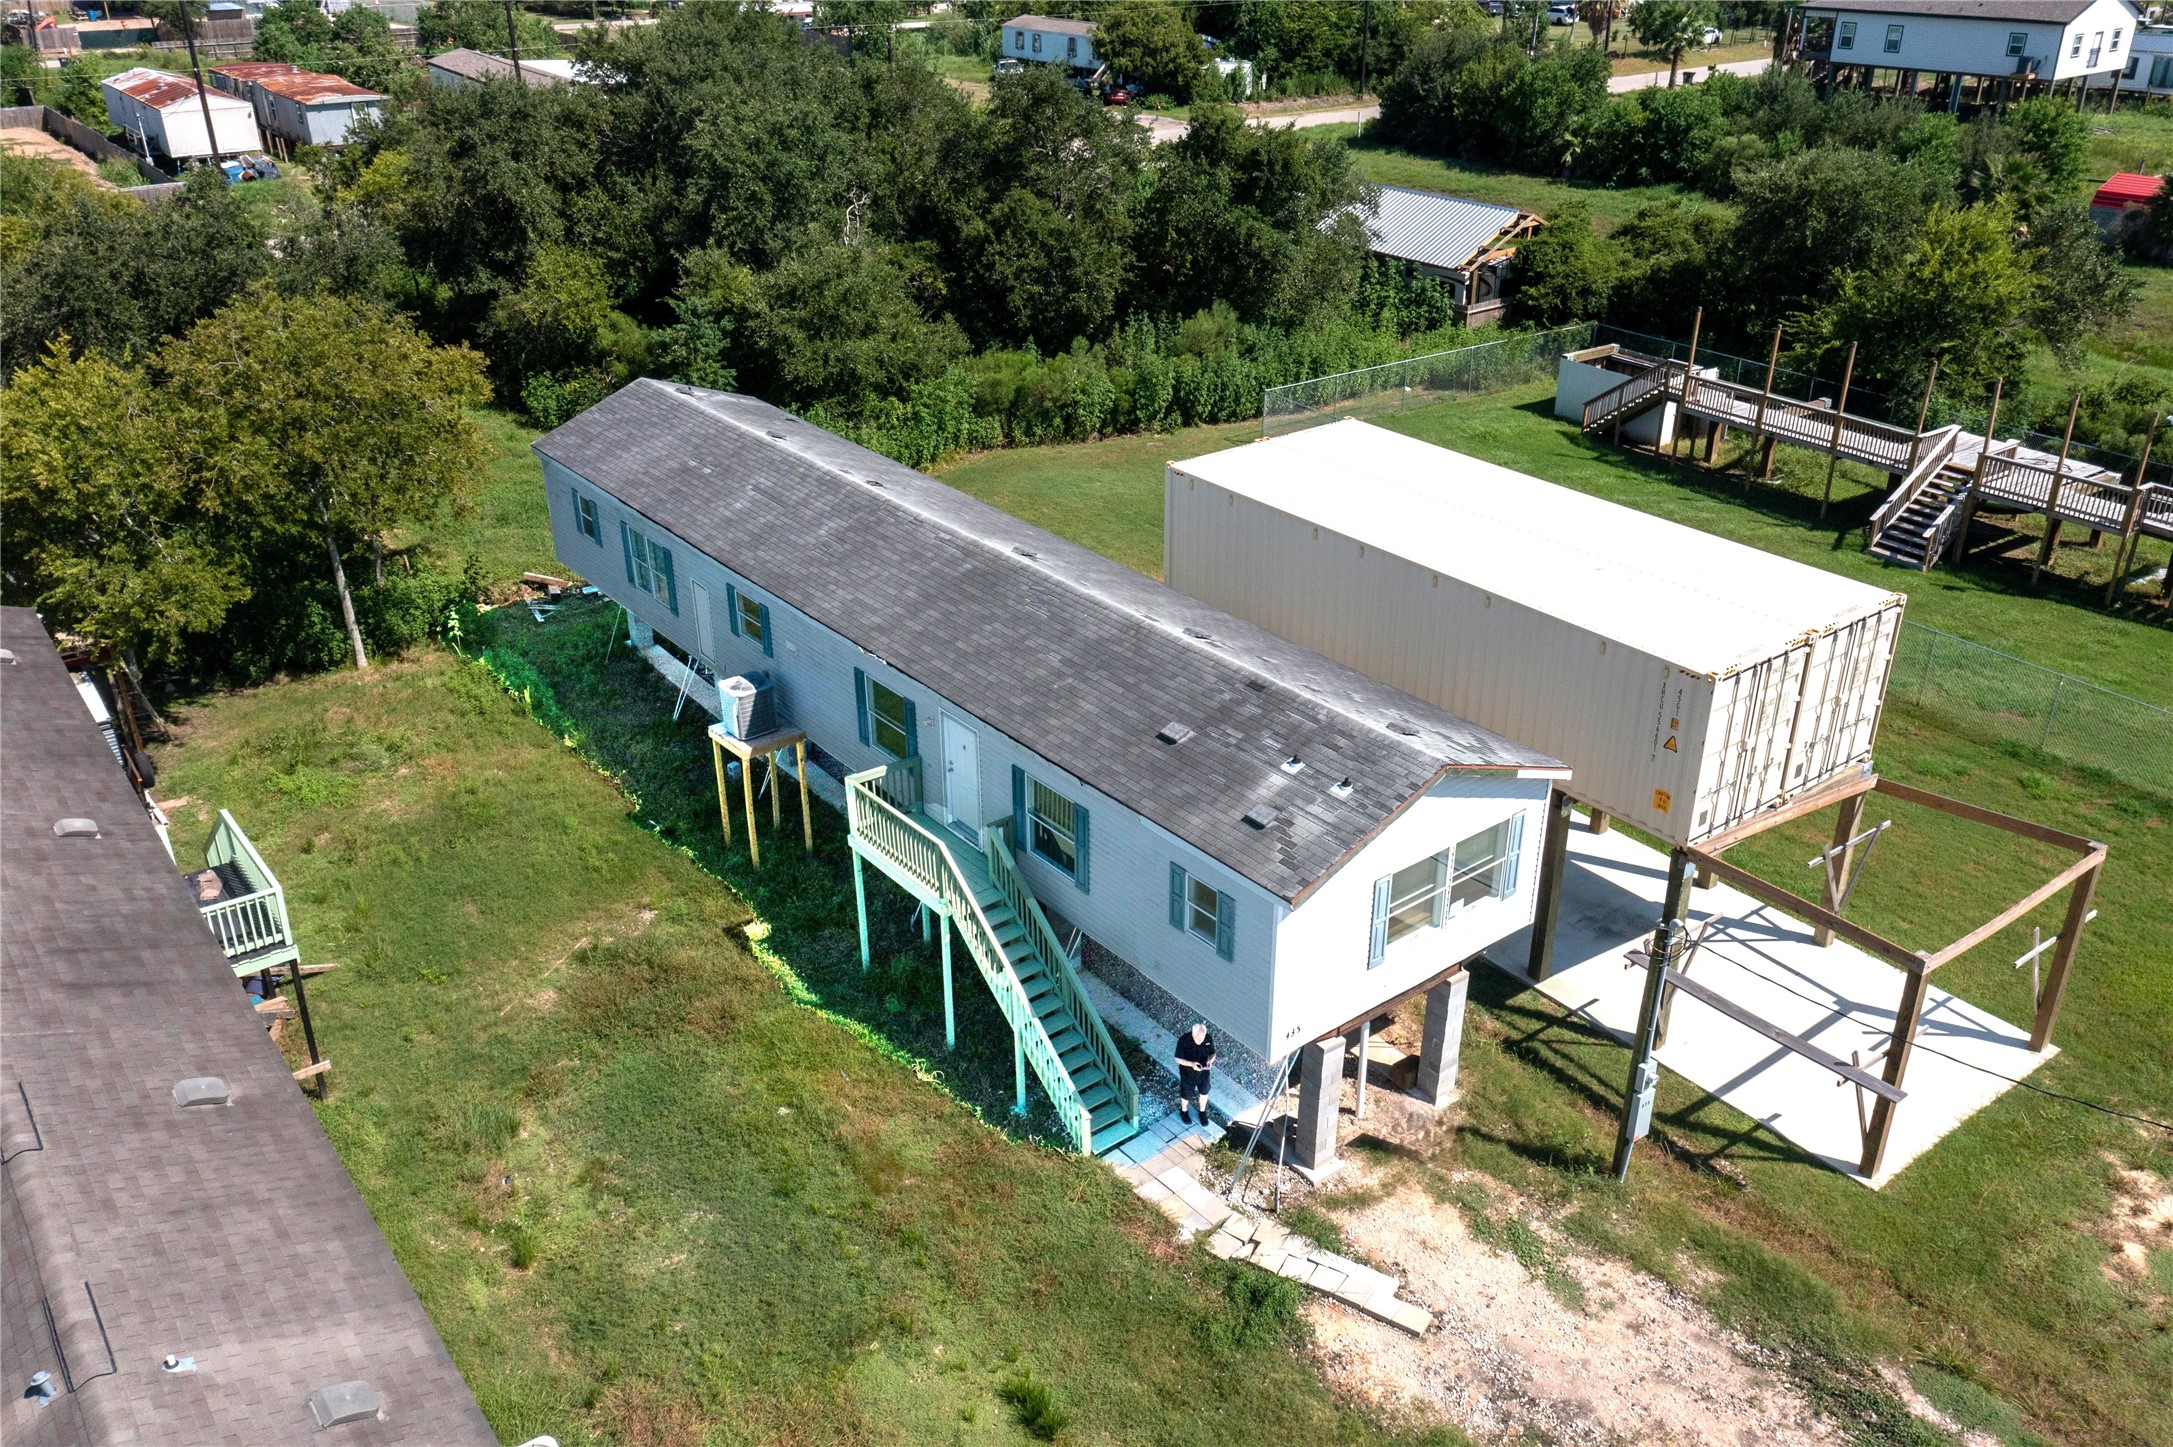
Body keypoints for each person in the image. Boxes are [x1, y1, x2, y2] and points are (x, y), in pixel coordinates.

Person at [1174, 1021, 1216, 1128]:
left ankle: (1202, 1112)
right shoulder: (1184, 1040)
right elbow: (1178, 1059)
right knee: (1186, 1094)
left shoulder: (1208, 1038)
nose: (1200, 1040)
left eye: (1202, 1038)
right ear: (1193, 1034)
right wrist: (1192, 1064)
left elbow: (1213, 1053)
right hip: (1187, 1073)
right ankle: (1184, 1111)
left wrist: (1210, 1062)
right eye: (1198, 1038)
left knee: (1204, 1091)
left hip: (1203, 1072)